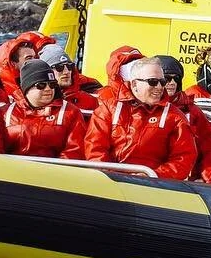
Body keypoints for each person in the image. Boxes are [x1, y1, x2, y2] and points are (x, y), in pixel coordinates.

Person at [74, 46, 197, 180]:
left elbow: (183, 158)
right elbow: (95, 147)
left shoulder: (175, 117)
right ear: (134, 84)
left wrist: (154, 176)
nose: (159, 87)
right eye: (152, 82)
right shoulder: (110, 109)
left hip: (154, 185)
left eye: (162, 82)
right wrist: (109, 177)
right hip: (110, 183)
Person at [155, 54, 211, 184]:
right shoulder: (141, 110)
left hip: (186, 181)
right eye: (167, 78)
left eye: (177, 79)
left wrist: (207, 180)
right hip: (148, 176)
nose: (172, 83)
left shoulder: (192, 111)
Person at [1, 58, 87, 158]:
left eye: (52, 84)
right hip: (12, 169)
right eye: (41, 85)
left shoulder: (70, 112)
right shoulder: (6, 113)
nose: (48, 89)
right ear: (27, 87)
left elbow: (75, 150)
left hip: (56, 170)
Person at [38, 42, 103, 114]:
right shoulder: (35, 101)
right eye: (59, 67)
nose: (66, 71)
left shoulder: (91, 96)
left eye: (69, 66)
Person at [0, 34, 41, 100]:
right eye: (29, 58)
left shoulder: (42, 84)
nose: (35, 61)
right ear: (13, 64)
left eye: (36, 58)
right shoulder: (0, 95)